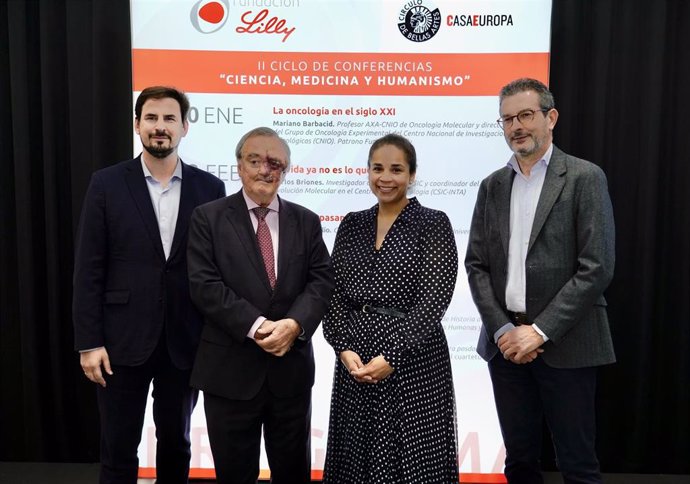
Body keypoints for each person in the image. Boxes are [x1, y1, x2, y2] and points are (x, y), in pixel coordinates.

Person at [465, 78, 615, 484]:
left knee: (578, 466)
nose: (516, 126)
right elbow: (476, 265)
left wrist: (540, 332)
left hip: (568, 343)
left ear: (551, 117)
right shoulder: (492, 186)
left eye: (525, 115)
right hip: (506, 349)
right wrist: (502, 331)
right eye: (507, 119)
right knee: (519, 464)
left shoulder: (585, 178)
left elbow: (596, 266)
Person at [73, 86, 226, 484]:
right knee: (118, 447)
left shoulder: (209, 189)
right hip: (119, 342)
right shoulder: (106, 184)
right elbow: (89, 268)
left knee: (177, 443)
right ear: (138, 124)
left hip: (185, 340)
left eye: (169, 119)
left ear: (184, 127)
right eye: (152, 118)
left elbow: (216, 270)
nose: (161, 127)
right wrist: (89, 342)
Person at [186, 127, 334, 484]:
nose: (265, 170)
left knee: (293, 474)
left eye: (275, 163)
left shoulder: (307, 220)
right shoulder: (208, 217)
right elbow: (204, 286)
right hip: (229, 373)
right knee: (235, 476)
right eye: (255, 160)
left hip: (290, 373)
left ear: (285, 170)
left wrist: (294, 325)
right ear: (239, 165)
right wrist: (259, 327)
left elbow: (321, 280)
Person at [322, 133, 459, 483]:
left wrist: (394, 356)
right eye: (377, 168)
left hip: (413, 361)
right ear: (367, 172)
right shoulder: (352, 223)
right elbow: (333, 292)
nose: (386, 177)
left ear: (412, 175)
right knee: (356, 456)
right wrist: (342, 347)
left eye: (396, 169)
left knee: (411, 461)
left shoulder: (433, 223)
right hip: (356, 362)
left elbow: (434, 299)